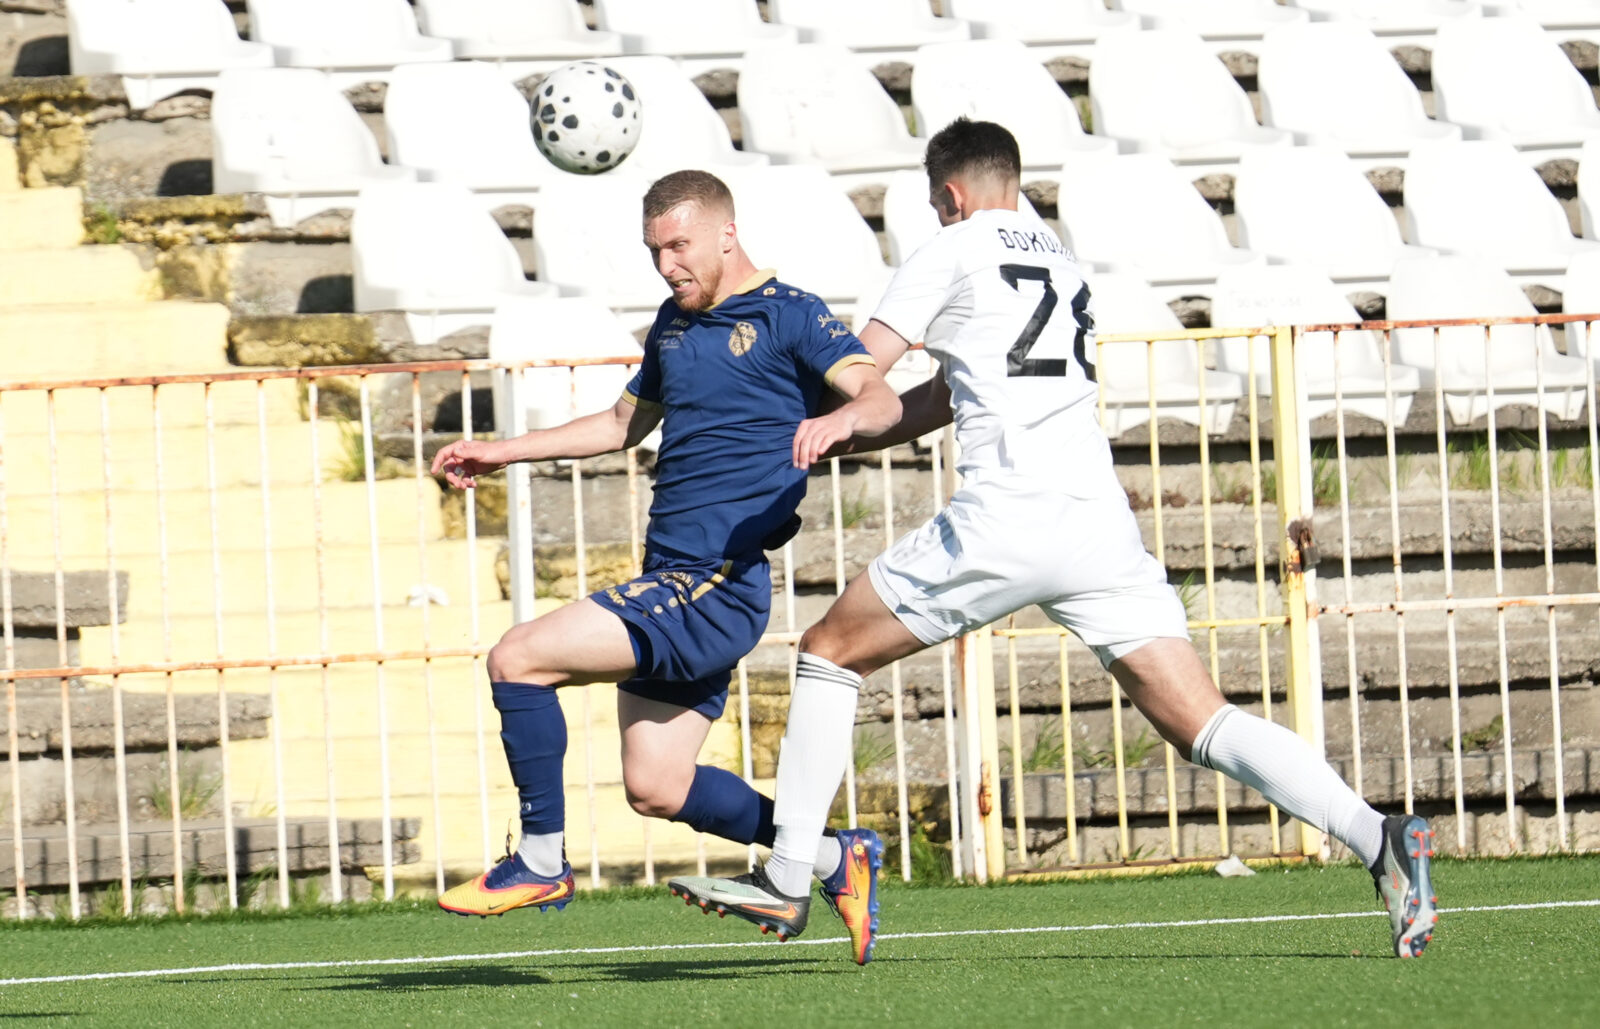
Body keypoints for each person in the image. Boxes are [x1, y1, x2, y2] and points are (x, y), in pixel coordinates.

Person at [667, 120, 1439, 963]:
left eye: (934, 205)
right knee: (1201, 720)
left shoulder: (953, 247)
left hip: (1007, 518)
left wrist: (818, 419)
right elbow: (945, 397)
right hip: (1096, 522)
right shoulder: (1061, 260)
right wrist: (854, 427)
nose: (936, 216)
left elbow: (866, 372)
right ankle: (1379, 836)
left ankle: (789, 873)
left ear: (950, 195)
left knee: (827, 650)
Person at [428, 170, 901, 963]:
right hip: (673, 578)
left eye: (680, 246)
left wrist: (846, 416)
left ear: (726, 232)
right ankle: (830, 857)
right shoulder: (672, 325)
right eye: (655, 251)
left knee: (518, 657)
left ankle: (541, 859)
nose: (668, 265)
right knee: (656, 784)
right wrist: (502, 450)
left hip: (711, 583)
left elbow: (880, 399)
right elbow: (621, 424)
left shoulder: (790, 315)